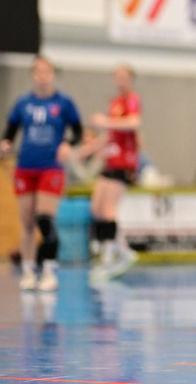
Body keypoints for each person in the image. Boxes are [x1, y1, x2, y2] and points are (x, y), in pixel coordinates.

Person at [0, 55, 83, 292]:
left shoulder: (64, 103)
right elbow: (10, 130)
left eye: (46, 71)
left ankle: (48, 271)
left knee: (44, 218)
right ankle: (28, 271)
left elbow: (77, 131)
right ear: (32, 75)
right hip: (26, 166)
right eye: (38, 71)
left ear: (53, 74)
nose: (42, 76)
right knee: (26, 222)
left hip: (51, 167)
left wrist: (69, 144)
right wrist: (5, 144)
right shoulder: (23, 103)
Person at [88, 64, 141, 281]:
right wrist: (93, 147)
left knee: (109, 210)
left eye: (124, 76)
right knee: (97, 208)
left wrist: (106, 122)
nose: (120, 79)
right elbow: (112, 133)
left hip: (124, 162)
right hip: (111, 160)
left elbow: (134, 123)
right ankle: (125, 251)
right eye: (117, 76)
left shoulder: (132, 100)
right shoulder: (114, 102)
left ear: (130, 79)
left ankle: (108, 259)